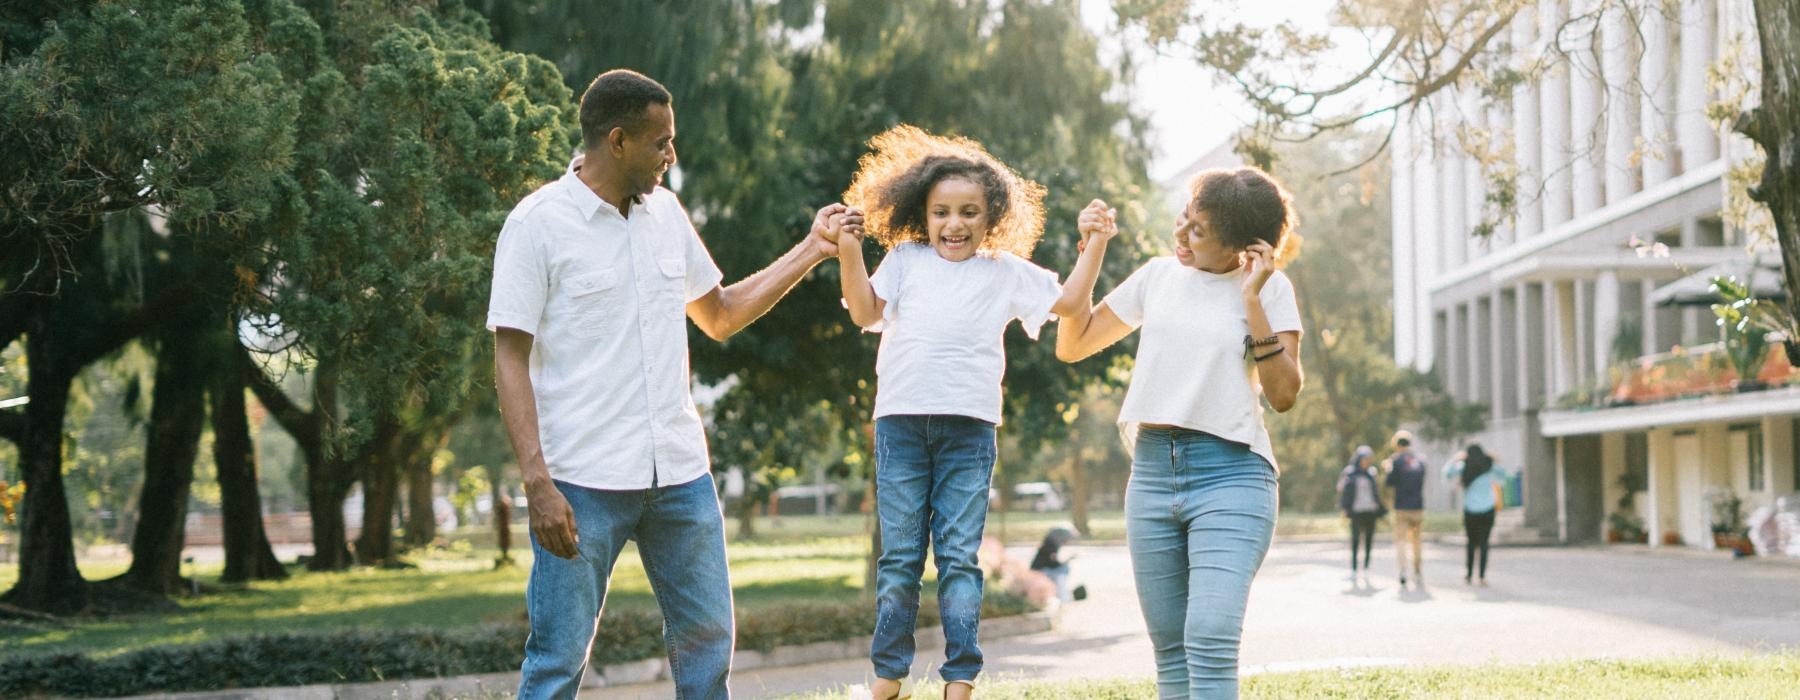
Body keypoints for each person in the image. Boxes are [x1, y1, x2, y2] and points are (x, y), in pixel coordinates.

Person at [488, 69, 852, 700]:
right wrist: (536, 481)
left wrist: (813, 249)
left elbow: (720, 314)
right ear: (618, 140)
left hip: (680, 475)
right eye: (662, 142)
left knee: (709, 646)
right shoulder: (537, 224)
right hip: (582, 482)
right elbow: (509, 356)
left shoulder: (665, 215)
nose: (672, 155)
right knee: (557, 662)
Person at [830, 125, 1089, 700]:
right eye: (941, 212)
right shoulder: (904, 260)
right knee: (899, 557)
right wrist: (850, 247)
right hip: (900, 424)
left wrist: (1093, 244)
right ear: (921, 213)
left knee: (958, 558)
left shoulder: (1003, 270)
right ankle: (888, 679)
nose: (954, 224)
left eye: (969, 212)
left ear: (992, 215)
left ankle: (960, 680)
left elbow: (1070, 303)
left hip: (969, 429)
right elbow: (862, 311)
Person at [1055, 167, 1305, 698]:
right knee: (1170, 651)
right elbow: (1072, 343)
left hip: (1232, 474)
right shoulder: (1156, 277)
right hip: (1149, 473)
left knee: (1210, 637)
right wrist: (1092, 250)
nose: (1181, 234)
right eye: (1184, 218)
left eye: (1198, 230)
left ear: (1244, 247)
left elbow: (1284, 395)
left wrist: (1253, 302)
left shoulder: (1270, 289)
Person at [1444, 444, 1505, 585]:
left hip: (1470, 510)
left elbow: (1447, 473)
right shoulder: (1489, 465)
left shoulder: (1464, 466)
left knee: (1471, 543)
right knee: (1484, 543)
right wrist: (1496, 459)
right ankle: (1482, 576)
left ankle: (1469, 574)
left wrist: (1455, 459)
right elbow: (1503, 475)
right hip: (1488, 509)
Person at [1383, 430, 1428, 588]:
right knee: (1416, 541)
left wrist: (1388, 468)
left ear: (1397, 445)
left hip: (1402, 506)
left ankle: (1403, 570)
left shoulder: (1395, 461)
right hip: (1418, 506)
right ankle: (1418, 571)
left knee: (1401, 541)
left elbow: (1389, 482)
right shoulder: (1420, 460)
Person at [1337, 445, 1384, 579]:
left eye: (1369, 459)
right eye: (1364, 459)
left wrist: (1380, 509)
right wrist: (1345, 508)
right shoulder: (1349, 472)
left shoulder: (1372, 473)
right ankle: (1353, 570)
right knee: (1355, 540)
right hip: (1356, 511)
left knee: (1369, 540)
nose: (1366, 462)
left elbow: (1376, 492)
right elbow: (1341, 490)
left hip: (1370, 511)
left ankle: (1367, 568)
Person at [1030, 525, 1079, 603]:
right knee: (1063, 569)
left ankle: (1061, 594)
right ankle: (1062, 595)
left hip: (1041, 570)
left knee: (1062, 569)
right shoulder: (1050, 545)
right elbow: (1053, 564)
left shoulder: (1050, 544)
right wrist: (1068, 560)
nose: (1067, 540)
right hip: (1039, 572)